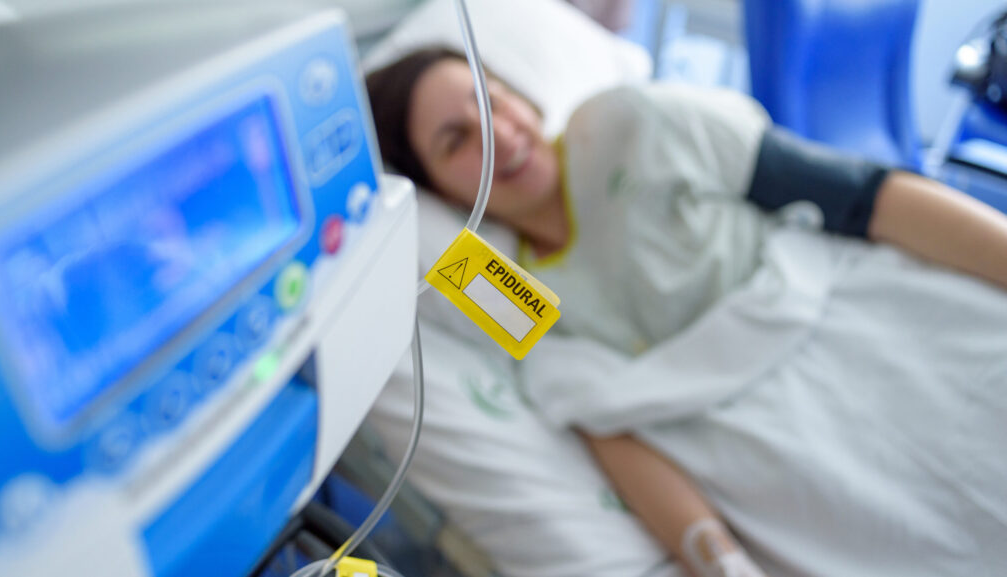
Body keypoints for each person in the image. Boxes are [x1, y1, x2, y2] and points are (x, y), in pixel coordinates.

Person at [365, 48, 1007, 577]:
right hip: (763, 431)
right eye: (458, 142)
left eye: (494, 100)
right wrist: (718, 560)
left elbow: (869, 198)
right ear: (437, 192)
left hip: (850, 314)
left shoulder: (626, 125)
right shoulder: (503, 283)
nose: (502, 137)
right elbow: (596, 412)